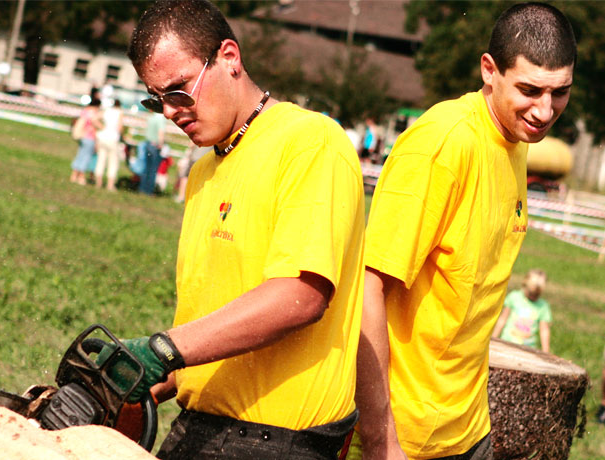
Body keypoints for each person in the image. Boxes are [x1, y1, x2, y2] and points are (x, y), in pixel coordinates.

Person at [98, 0, 366, 458]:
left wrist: (163, 348)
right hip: (203, 424)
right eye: (156, 98)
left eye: (179, 89)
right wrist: (141, 376)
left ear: (229, 57)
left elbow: (300, 296)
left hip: (279, 440)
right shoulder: (205, 172)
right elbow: (217, 322)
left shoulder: (310, 143)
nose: (169, 111)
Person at [356, 3, 576, 460]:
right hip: (406, 437)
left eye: (560, 93)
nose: (545, 110)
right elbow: (366, 289)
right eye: (530, 89)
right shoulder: (443, 144)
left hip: (468, 428)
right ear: (489, 70)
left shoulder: (514, 138)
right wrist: (382, 443)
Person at [492, 269, 552, 353]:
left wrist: (546, 351)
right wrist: (494, 338)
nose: (533, 296)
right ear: (524, 284)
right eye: (531, 293)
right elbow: (503, 319)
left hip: (527, 349)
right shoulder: (514, 297)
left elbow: (544, 330)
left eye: (537, 295)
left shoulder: (543, 306)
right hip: (506, 343)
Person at [70, 98, 102, 186]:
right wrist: (102, 127)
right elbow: (94, 124)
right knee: (86, 157)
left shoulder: (85, 111)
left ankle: (74, 175)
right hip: (89, 137)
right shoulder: (94, 113)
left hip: (82, 136)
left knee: (80, 155)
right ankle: (81, 176)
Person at [95, 99, 124, 191]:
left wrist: (102, 127)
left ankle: (98, 183)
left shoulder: (106, 111)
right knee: (113, 162)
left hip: (103, 136)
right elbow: (120, 127)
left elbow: (94, 119)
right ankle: (110, 185)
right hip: (113, 138)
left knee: (101, 160)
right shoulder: (119, 112)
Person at [141, 112, 166, 195]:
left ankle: (142, 188)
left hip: (148, 143)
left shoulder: (151, 117)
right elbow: (160, 132)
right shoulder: (160, 119)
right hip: (155, 145)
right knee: (153, 169)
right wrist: (161, 144)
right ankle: (149, 190)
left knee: (146, 168)